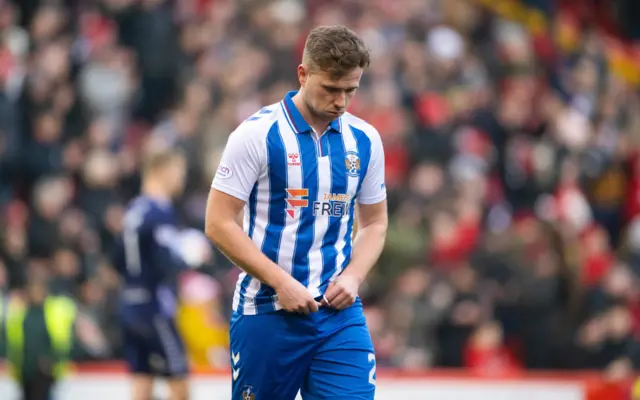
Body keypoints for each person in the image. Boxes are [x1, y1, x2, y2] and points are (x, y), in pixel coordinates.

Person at [205, 25, 388, 400]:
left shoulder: (365, 140)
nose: (341, 101)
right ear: (303, 74)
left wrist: (353, 277)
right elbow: (218, 222)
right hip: (268, 312)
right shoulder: (256, 135)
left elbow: (375, 223)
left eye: (350, 90)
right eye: (331, 88)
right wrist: (281, 283)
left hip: (339, 318)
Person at [112, 148, 191, 400]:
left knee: (141, 377)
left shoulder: (133, 209)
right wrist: (188, 257)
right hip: (154, 307)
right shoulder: (160, 211)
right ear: (161, 171)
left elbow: (117, 259)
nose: (182, 179)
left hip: (130, 303)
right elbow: (163, 262)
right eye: (178, 172)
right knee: (179, 380)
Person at [3, 280, 77, 400]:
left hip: (46, 371)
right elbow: (12, 340)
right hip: (25, 368)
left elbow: (64, 341)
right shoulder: (19, 311)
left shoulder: (54, 311)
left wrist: (52, 358)